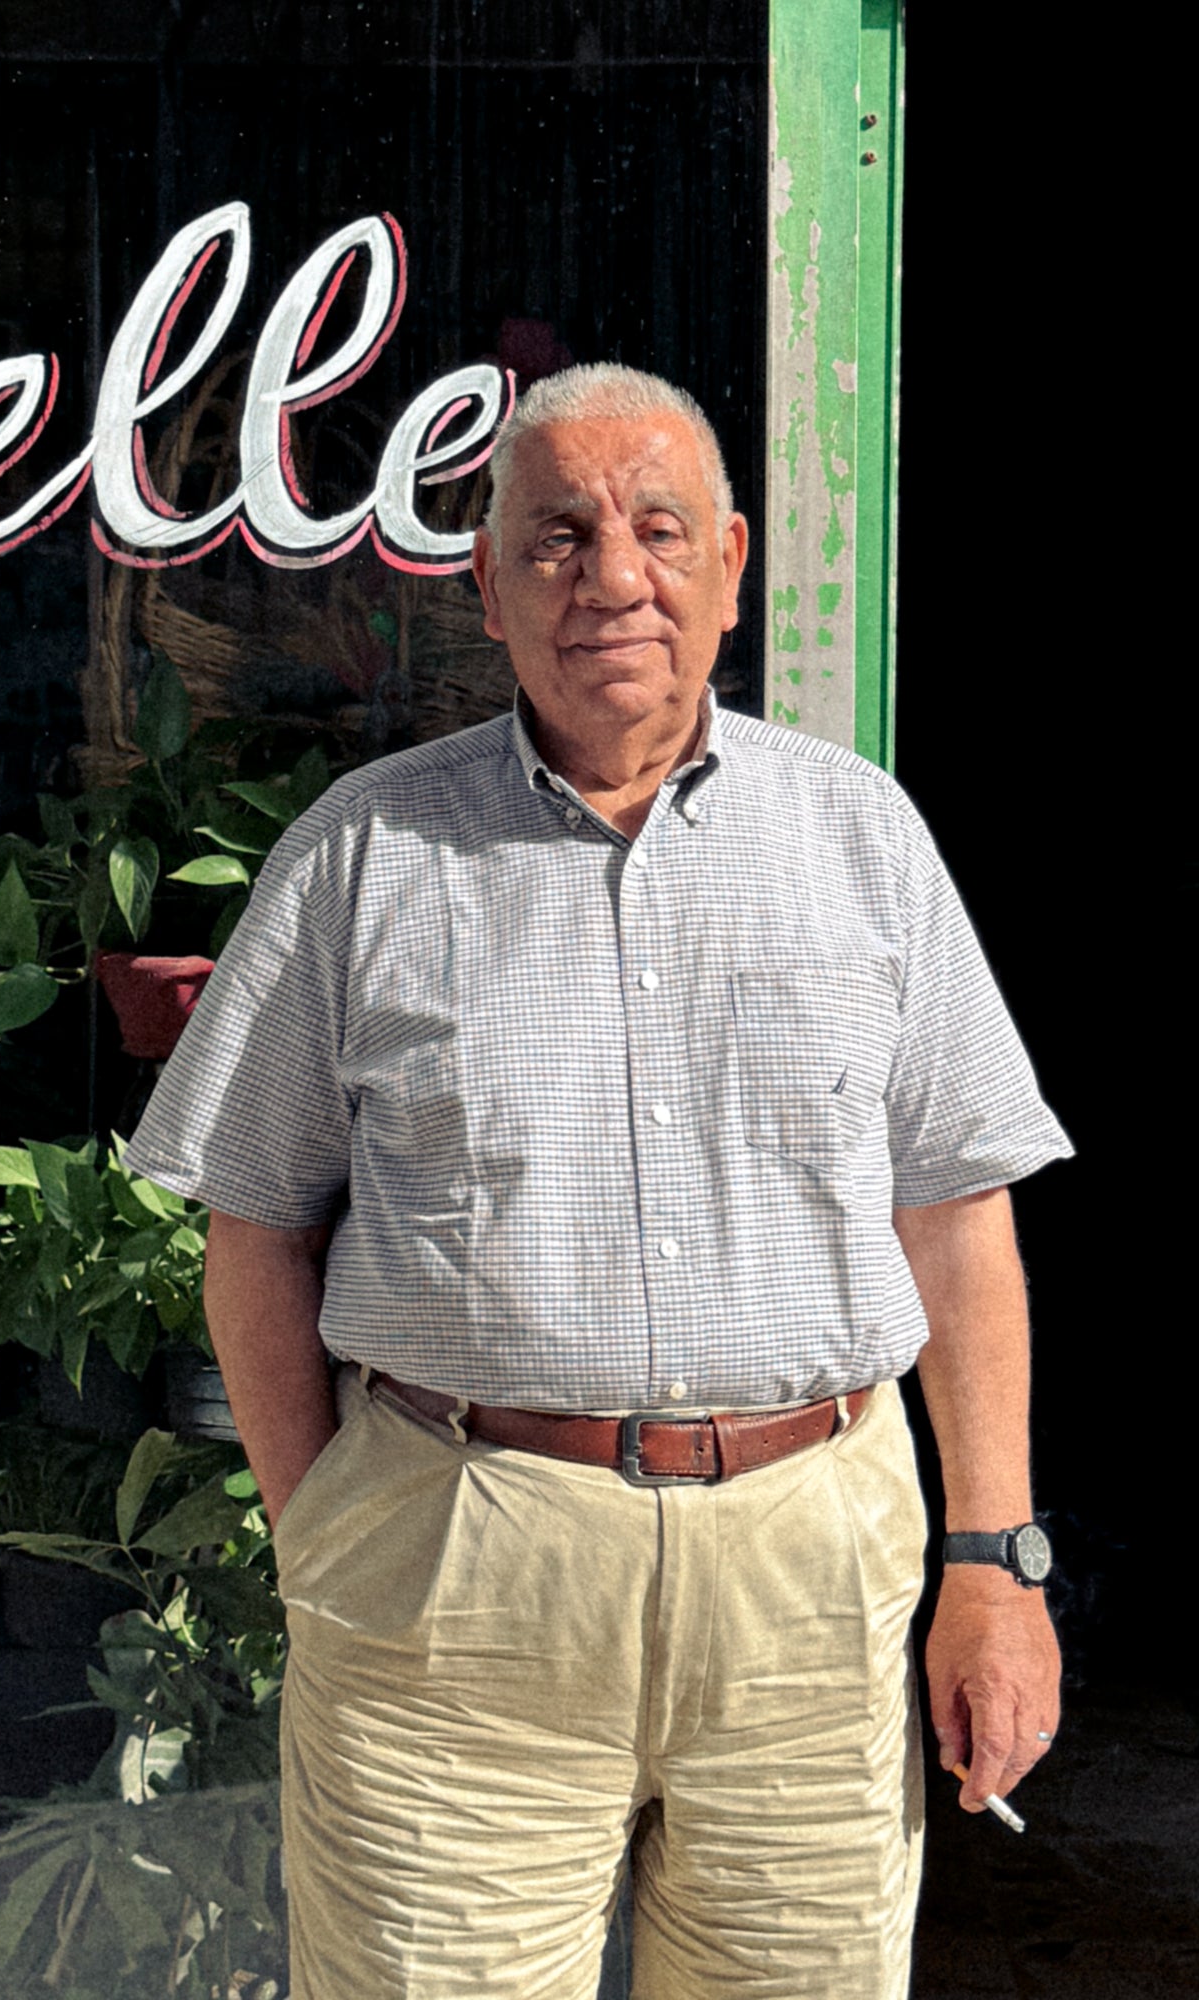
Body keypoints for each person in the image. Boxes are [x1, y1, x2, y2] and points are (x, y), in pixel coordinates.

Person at [125, 362, 1072, 2000]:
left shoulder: (863, 841)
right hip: (458, 1566)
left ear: (731, 563)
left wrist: (996, 1562)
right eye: (556, 536)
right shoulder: (364, 857)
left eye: (655, 529)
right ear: (486, 588)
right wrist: (326, 1540)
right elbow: (252, 1228)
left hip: (810, 1568)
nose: (611, 576)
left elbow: (958, 1215)